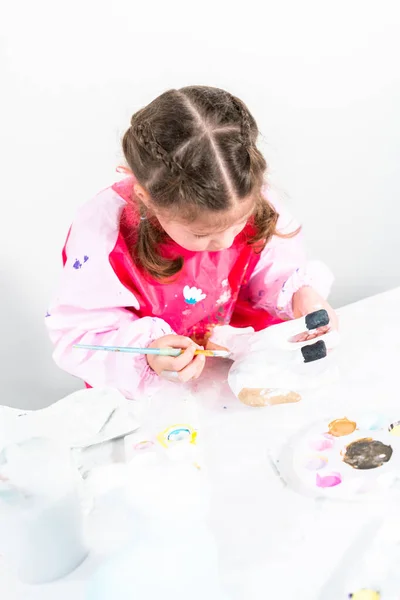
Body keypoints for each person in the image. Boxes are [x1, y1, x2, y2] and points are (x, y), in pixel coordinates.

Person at [46, 86, 336, 398]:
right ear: (147, 199)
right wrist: (146, 352)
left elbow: (272, 264)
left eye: (238, 225)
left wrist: (297, 294)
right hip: (154, 395)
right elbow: (81, 334)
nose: (225, 244)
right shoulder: (102, 235)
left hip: (230, 376)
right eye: (202, 234)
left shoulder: (238, 191)